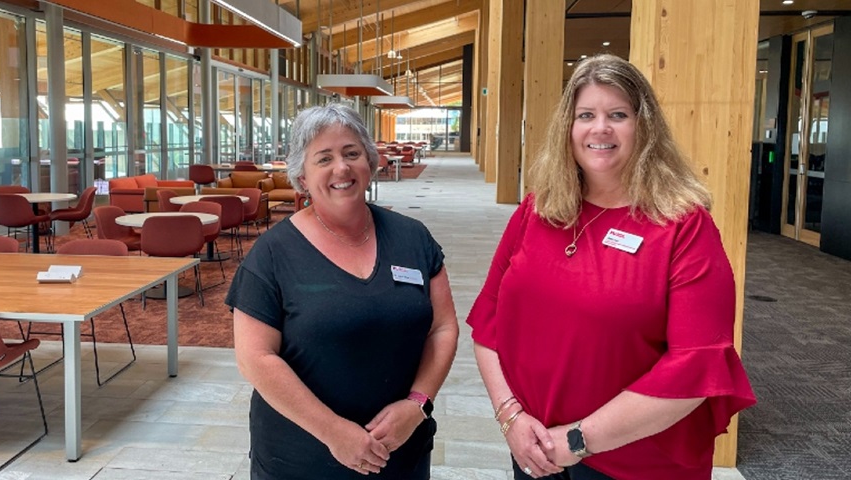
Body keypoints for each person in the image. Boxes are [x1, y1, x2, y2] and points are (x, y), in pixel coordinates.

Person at [467, 54, 756, 480]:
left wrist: (578, 440)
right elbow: (488, 320)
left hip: (635, 462)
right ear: (569, 127)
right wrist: (511, 417)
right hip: (533, 448)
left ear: (644, 127)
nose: (600, 128)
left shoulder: (683, 226)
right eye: (586, 115)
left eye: (617, 114)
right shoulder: (538, 209)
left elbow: (697, 365)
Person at [227, 103, 459, 479]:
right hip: (301, 457)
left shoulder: (413, 237)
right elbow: (255, 358)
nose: (342, 168)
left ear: (370, 161)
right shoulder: (272, 254)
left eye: (352, 153)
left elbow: (443, 328)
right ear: (302, 177)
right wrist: (332, 431)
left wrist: (417, 404)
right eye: (324, 158)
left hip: (400, 450)